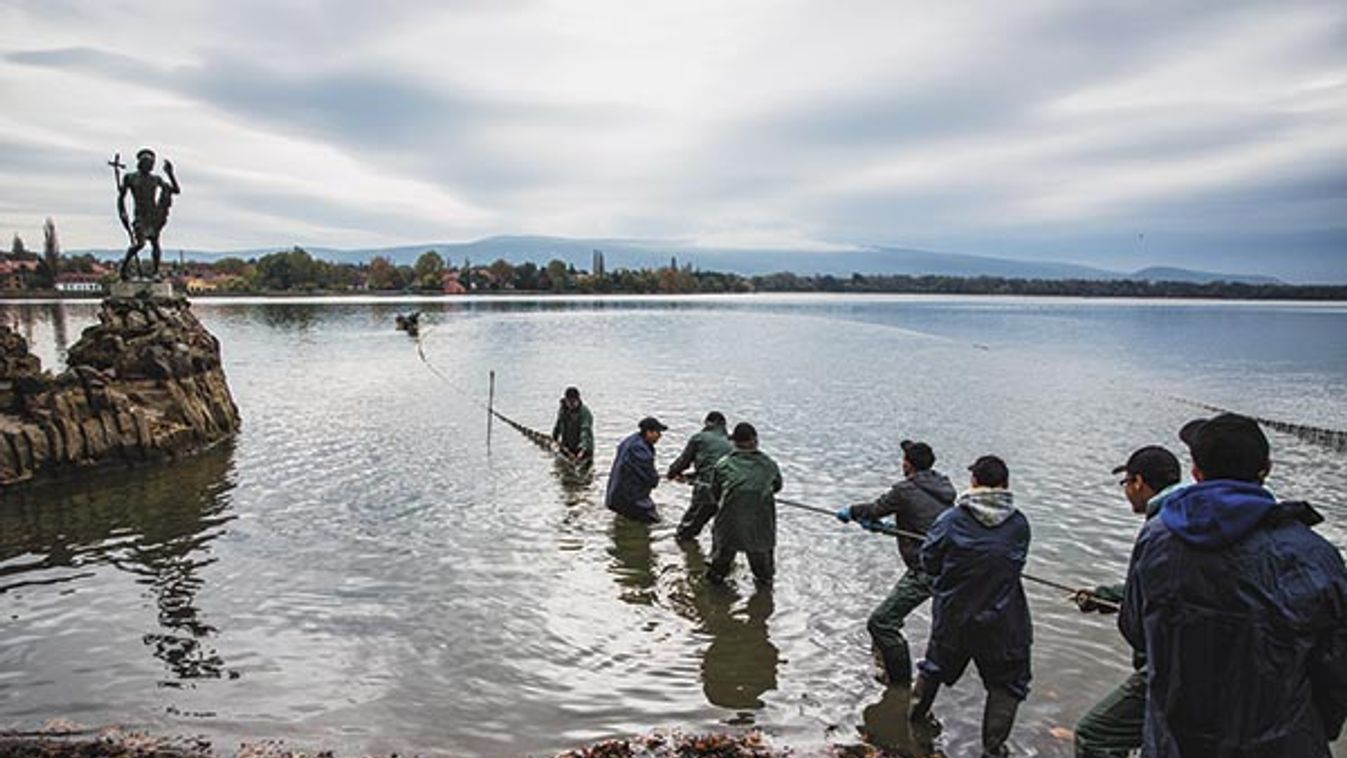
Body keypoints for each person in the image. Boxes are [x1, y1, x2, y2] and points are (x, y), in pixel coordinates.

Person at [1120, 413, 1347, 758]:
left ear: (1196, 473)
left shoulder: (1156, 538)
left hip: (1175, 743)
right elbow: (1335, 669)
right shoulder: (1315, 554)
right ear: (1266, 468)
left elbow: (1135, 628)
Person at [910, 455, 1031, 758]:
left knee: (934, 668)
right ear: (1005, 484)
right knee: (1007, 684)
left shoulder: (951, 520)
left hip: (955, 617)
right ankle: (993, 748)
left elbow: (929, 561)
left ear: (974, 482)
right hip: (1004, 620)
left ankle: (913, 723)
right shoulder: (1019, 524)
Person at [1073, 445, 1182, 758]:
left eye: (1126, 484)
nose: (1126, 493)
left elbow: (1136, 622)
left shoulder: (1165, 526)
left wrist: (1114, 603)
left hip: (1171, 665)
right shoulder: (1190, 517)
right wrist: (1104, 597)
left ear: (1138, 483)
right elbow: (1157, 588)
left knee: (1095, 735)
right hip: (1203, 665)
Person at [835, 439, 955, 686]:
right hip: (949, 566)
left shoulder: (905, 490)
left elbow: (876, 508)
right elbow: (925, 526)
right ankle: (889, 666)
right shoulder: (944, 487)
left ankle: (899, 685)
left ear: (907, 464)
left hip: (925, 569)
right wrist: (888, 530)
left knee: (880, 623)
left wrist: (852, 511)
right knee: (923, 623)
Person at [707, 422, 782, 587]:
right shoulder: (769, 464)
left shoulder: (723, 465)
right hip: (760, 529)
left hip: (729, 527)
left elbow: (715, 494)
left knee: (718, 569)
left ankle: (714, 597)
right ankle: (763, 602)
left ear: (734, 443)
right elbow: (777, 486)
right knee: (764, 576)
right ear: (755, 441)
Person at [667, 411, 734, 542]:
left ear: (708, 423)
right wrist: (691, 477)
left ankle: (685, 549)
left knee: (687, 528)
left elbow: (683, 461)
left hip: (707, 490)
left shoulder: (699, 438)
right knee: (724, 529)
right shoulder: (732, 442)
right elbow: (716, 466)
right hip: (730, 492)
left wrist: (672, 474)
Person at [117, 148, 180, 281]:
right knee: (140, 244)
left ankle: (155, 273)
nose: (150, 166)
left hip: (153, 215)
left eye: (152, 164)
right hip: (140, 215)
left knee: (155, 243)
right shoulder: (130, 177)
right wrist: (122, 212)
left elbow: (176, 190)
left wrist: (170, 174)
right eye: (148, 163)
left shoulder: (155, 179)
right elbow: (121, 197)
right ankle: (123, 270)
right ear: (141, 163)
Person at [604, 416, 666, 523]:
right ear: (649, 432)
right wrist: (659, 479)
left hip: (615, 494)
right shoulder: (640, 449)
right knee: (656, 523)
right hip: (629, 498)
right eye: (658, 432)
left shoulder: (630, 440)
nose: (660, 436)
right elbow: (650, 477)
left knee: (625, 521)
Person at [552, 386, 594, 463]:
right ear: (566, 400)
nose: (571, 405)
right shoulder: (563, 410)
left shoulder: (584, 412)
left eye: (573, 402)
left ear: (578, 400)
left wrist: (582, 448)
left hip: (583, 449)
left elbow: (585, 431)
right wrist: (554, 438)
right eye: (569, 402)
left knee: (583, 470)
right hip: (567, 446)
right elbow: (558, 425)